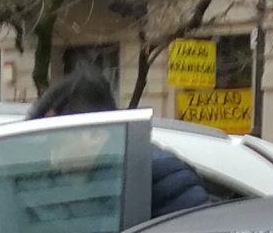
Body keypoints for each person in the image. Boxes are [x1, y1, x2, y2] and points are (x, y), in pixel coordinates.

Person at [25, 69, 215, 216]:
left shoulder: (162, 180)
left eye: (58, 145)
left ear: (94, 136)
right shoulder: (77, 186)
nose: (52, 158)